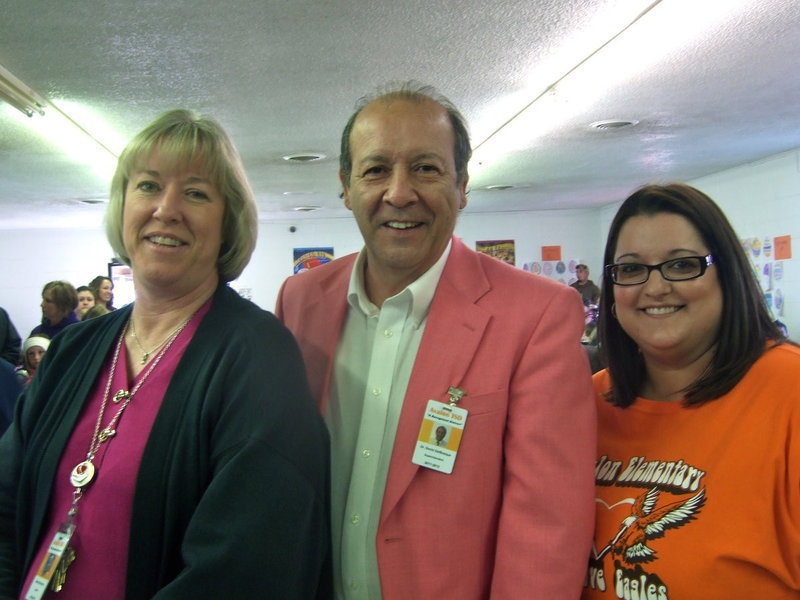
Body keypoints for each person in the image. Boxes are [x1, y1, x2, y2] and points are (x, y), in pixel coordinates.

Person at [276, 82, 596, 599]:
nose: (399, 193)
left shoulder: (536, 316)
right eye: (376, 169)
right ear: (345, 184)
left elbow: (547, 527)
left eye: (426, 168)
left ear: (463, 184)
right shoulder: (299, 301)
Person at [0, 109, 331, 599]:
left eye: (196, 193)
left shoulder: (257, 356)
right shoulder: (75, 348)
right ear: (123, 206)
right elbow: (7, 502)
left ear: (227, 222)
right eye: (149, 186)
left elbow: (246, 565)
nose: (166, 209)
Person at [583, 183, 799, 599]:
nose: (656, 287)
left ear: (728, 275)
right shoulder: (585, 403)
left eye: (682, 265)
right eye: (631, 269)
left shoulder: (790, 393)